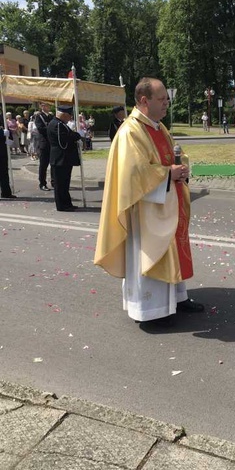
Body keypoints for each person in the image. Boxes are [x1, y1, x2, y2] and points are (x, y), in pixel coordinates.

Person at [94, 77, 204, 324]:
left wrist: (181, 167)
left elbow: (173, 154)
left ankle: (177, 297)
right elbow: (134, 173)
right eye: (162, 99)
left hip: (167, 202)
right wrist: (168, 174)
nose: (167, 103)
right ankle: (150, 312)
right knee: (151, 254)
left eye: (167, 98)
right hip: (146, 210)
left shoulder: (157, 126)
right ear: (144, 101)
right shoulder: (130, 131)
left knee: (173, 249)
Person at [47, 105, 81, 212]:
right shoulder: (57, 125)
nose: (70, 118)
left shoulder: (61, 124)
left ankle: (67, 203)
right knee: (60, 184)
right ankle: (62, 205)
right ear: (63, 115)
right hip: (60, 158)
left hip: (63, 159)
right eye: (69, 116)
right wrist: (76, 136)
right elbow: (63, 140)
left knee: (65, 183)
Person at [35, 102, 53, 191]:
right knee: (43, 165)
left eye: (49, 105)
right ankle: (42, 183)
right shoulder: (39, 116)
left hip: (52, 144)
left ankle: (54, 182)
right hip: (44, 144)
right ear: (42, 106)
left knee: (53, 164)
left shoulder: (51, 116)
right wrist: (50, 128)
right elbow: (40, 129)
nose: (49, 107)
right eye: (47, 105)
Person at [0, 125, 17, 199]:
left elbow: (9, 136)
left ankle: (6, 192)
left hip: (2, 152)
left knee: (4, 173)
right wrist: (1, 133)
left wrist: (8, 138)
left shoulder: (2, 127)